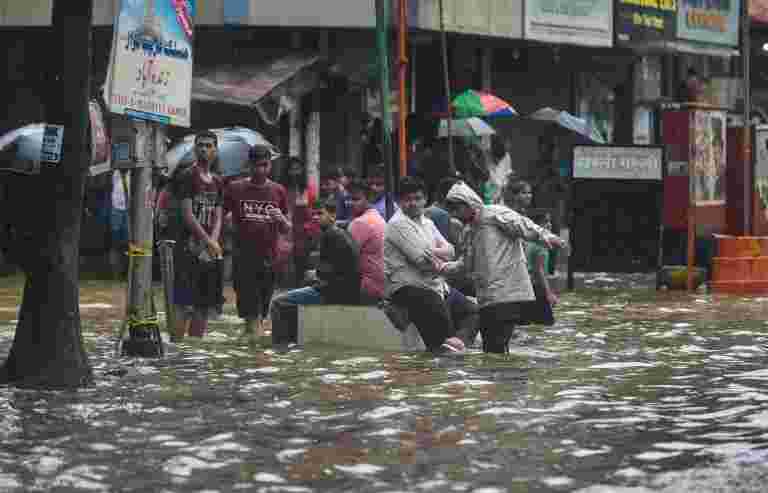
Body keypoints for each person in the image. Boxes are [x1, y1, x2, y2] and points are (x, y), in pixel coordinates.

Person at [444, 181, 566, 353]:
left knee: (496, 345)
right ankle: (503, 377)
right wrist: (443, 268)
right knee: (491, 348)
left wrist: (550, 238)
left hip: (507, 293)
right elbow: (465, 264)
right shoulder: (468, 231)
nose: (456, 215)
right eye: (453, 211)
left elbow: (525, 227)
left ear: (469, 203)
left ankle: (507, 377)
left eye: (458, 209)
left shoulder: (494, 214)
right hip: (487, 297)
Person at [384, 176, 466, 355]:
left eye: (417, 198)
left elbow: (451, 250)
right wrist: (440, 255)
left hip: (433, 284)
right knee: (433, 305)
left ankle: (456, 344)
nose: (413, 203)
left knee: (471, 310)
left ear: (425, 200)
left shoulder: (427, 222)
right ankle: (442, 350)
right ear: (399, 201)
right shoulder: (397, 224)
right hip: (407, 287)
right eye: (407, 199)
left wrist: (434, 253)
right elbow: (422, 261)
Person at [271, 197, 361, 345]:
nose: (315, 217)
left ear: (332, 216)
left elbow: (325, 273)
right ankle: (294, 338)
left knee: (278, 302)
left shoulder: (330, 235)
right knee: (303, 286)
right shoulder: (341, 232)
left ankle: (281, 345)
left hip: (334, 292)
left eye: (320, 214)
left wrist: (314, 274)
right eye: (314, 214)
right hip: (346, 290)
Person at [223, 145, 290, 340]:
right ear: (249, 165)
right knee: (251, 313)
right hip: (243, 258)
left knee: (260, 313)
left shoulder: (278, 191)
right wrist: (229, 224)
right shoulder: (235, 188)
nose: (260, 170)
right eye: (256, 165)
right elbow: (222, 217)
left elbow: (287, 229)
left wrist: (281, 219)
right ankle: (257, 356)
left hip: (269, 259)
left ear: (270, 166)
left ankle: (251, 350)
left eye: (264, 165)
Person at [172, 130, 225, 340]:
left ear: (215, 150)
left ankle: (194, 349)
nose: (204, 149)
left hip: (209, 251)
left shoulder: (219, 182)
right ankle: (177, 346)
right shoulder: (187, 176)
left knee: (203, 306)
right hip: (188, 247)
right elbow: (187, 214)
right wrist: (208, 241)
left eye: (209, 145)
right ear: (195, 149)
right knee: (183, 304)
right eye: (200, 145)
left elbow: (219, 216)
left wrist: (213, 243)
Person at [277, 157, 320, 288]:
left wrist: (312, 229)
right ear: (287, 171)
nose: (295, 173)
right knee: (282, 258)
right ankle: (282, 284)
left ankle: (299, 285)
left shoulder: (308, 190)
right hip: (285, 229)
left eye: (298, 169)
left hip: (303, 230)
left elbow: (315, 212)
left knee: (301, 261)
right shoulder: (280, 189)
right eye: (292, 169)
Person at [347, 178, 386, 304]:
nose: (351, 203)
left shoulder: (360, 223)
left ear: (368, 200)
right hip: (382, 286)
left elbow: (343, 258)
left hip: (366, 287)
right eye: (349, 199)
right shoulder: (378, 217)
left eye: (356, 199)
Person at [522, 211, 558, 326]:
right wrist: (548, 293)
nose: (549, 225)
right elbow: (540, 271)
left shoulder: (529, 242)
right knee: (547, 324)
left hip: (527, 289)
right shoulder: (541, 244)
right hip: (537, 289)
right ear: (537, 225)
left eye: (550, 221)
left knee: (529, 323)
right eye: (545, 222)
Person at [486, 135, 513, 205]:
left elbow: (507, 175)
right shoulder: (486, 156)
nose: (498, 160)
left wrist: (503, 188)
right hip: (488, 192)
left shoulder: (507, 156)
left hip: (499, 194)